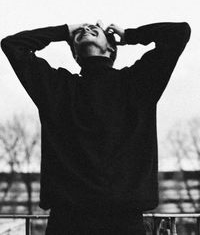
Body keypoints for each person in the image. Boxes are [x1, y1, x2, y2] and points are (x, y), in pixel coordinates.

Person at [1, 20, 191, 234]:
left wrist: (130, 35)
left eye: (94, 29)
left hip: (114, 220)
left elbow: (179, 32)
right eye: (80, 31)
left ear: (111, 48)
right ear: (74, 54)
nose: (86, 30)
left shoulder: (137, 82)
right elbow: (12, 45)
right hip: (72, 219)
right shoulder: (58, 87)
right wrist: (64, 31)